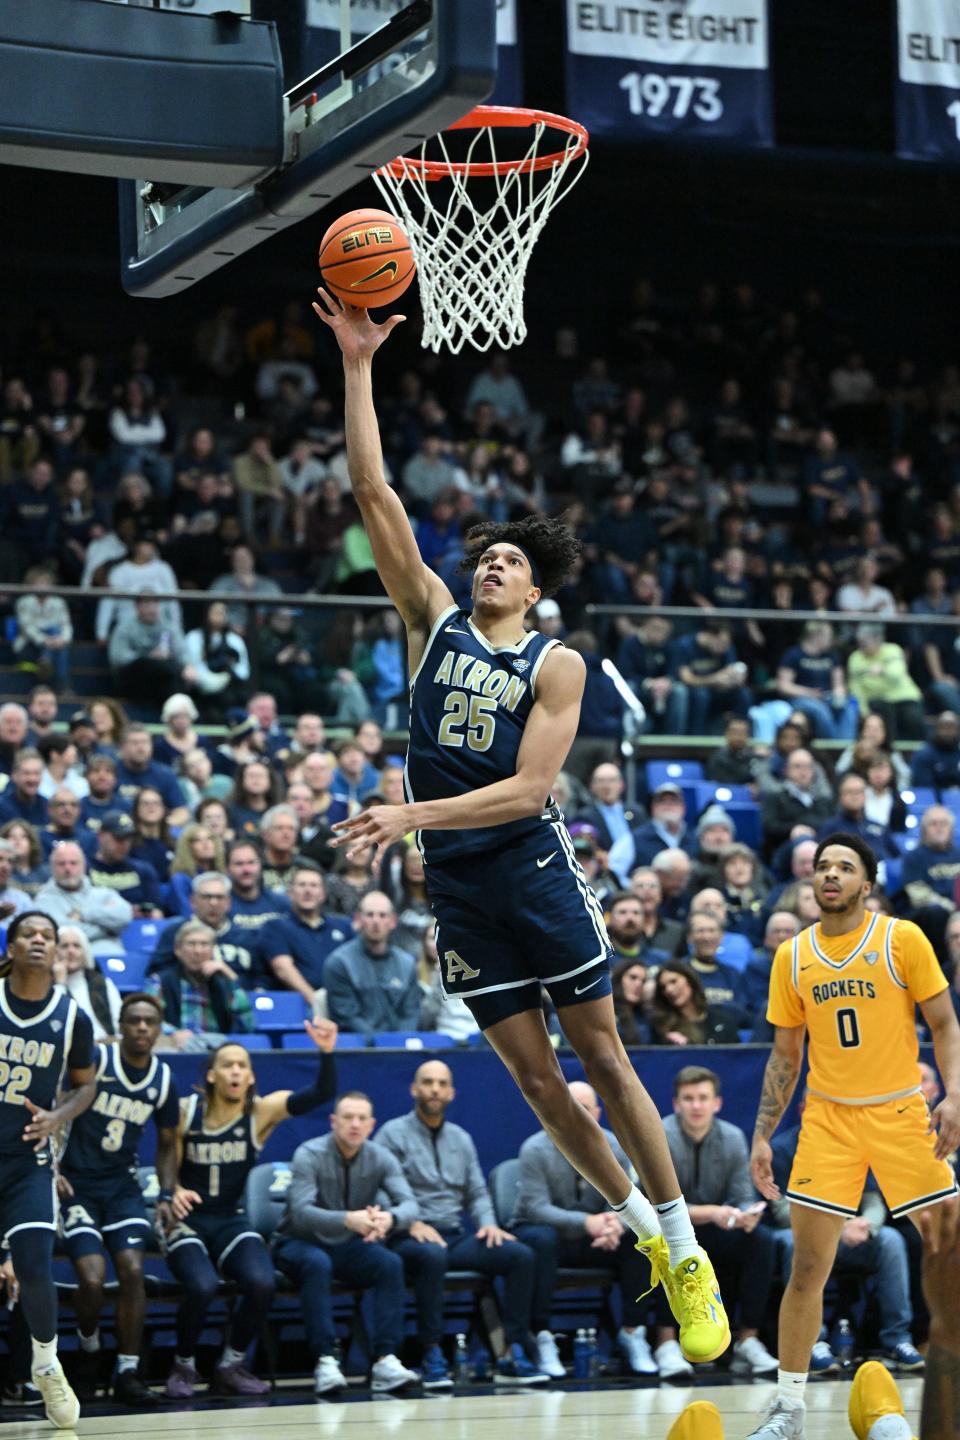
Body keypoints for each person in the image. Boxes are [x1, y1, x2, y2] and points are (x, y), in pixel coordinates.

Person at [313, 291, 728, 1365]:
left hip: (530, 868)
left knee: (602, 1054)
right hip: (459, 892)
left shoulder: (555, 663)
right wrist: (359, 364)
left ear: (535, 590)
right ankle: (643, 1227)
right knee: (540, 1086)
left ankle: (685, 1247)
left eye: (506, 559)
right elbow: (373, 489)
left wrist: (409, 809)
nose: (487, 560)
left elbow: (531, 792)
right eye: (483, 552)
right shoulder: (431, 624)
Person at [746, 833, 960, 1439]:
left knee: (950, 1248)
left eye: (844, 867)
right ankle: (788, 1409)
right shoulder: (792, 957)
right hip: (828, 1121)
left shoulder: (902, 938)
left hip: (899, 1114)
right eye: (821, 868)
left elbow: (944, 1024)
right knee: (809, 1266)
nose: (830, 876)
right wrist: (764, 1135)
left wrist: (956, 1093)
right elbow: (785, 1056)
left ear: (867, 883)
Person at [162, 1021, 337, 1397]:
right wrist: (172, 1189)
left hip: (228, 1219)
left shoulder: (260, 1112)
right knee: (203, 1285)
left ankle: (231, 1363)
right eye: (228, 1064)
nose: (237, 1071)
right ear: (211, 1074)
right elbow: (166, 1164)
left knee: (262, 1281)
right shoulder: (184, 1112)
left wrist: (325, 1051)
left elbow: (321, 1093)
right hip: (187, 1221)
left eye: (243, 1065)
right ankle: (184, 1364)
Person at [378, 1060, 549, 1386]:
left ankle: (512, 1351)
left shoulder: (461, 1138)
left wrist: (488, 1223)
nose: (435, 1089)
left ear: (452, 1093)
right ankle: (431, 1353)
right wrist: (408, 1223)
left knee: (520, 1255)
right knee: (432, 1256)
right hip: (409, 1237)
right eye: (427, 1082)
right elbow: (380, 1188)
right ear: (414, 1089)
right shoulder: (391, 1134)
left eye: (442, 1083)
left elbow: (477, 1192)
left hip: (454, 1235)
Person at [0, 911, 97, 1428]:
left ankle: (45, 1363)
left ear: (58, 950)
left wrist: (59, 1115)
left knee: (36, 1265)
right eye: (28, 934)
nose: (38, 941)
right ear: (11, 946)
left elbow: (86, 1083)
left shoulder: (72, 1016)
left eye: (47, 936)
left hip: (27, 1161)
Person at [58, 993, 179, 1404]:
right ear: (121, 1027)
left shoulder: (163, 1079)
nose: (142, 1028)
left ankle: (128, 1370)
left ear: (159, 1029)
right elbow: (57, 1108)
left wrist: (165, 1192)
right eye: (134, 1021)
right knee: (91, 1279)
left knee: (131, 1269)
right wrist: (52, 1167)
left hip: (123, 1188)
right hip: (77, 1184)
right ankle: (88, 1349)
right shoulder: (98, 1062)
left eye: (150, 1021)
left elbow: (167, 1143)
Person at [272, 1091, 420, 1395]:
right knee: (317, 1262)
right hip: (296, 1242)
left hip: (344, 1246)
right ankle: (325, 1360)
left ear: (371, 1124)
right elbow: (300, 1213)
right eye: (348, 1117)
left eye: (362, 1118)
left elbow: (410, 1204)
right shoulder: (309, 1153)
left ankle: (385, 1359)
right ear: (333, 1121)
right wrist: (348, 1219)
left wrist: (389, 1220)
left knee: (389, 1263)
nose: (355, 1124)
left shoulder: (380, 1157)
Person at [512, 1079, 659, 1377]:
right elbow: (535, 1208)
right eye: (571, 1108)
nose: (578, 1115)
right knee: (539, 1240)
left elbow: (631, 1195)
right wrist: (586, 1223)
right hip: (552, 1238)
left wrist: (613, 1224)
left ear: (597, 1112)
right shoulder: (534, 1149)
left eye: (585, 1108)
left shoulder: (615, 1147)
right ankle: (542, 1337)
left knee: (643, 1238)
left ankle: (633, 1332)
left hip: (598, 1241)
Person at [652, 1068, 777, 1382]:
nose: (696, 1106)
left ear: (717, 1103)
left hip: (719, 1228)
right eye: (689, 1099)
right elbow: (652, 1206)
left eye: (703, 1098)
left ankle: (748, 1339)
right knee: (656, 1245)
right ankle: (666, 1343)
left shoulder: (733, 1137)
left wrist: (748, 1213)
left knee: (761, 1241)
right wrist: (712, 1212)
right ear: (676, 1103)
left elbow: (742, 1195)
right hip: (672, 1229)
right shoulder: (659, 1136)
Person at [323, 891, 422, 1033]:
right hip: (357, 1048)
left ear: (392, 921)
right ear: (358, 919)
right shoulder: (339, 963)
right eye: (370, 915)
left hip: (400, 1048)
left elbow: (411, 1014)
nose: (376, 921)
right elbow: (347, 1017)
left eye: (382, 915)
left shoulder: (407, 964)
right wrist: (382, 1044)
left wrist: (400, 1043)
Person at [256, 861, 350, 1009]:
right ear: (290, 893)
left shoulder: (344, 926)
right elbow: (283, 969)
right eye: (301, 885)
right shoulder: (276, 926)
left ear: (323, 894)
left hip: (343, 1003)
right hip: (297, 1006)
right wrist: (317, 1003)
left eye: (313, 886)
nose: (308, 891)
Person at [150, 921, 252, 1048]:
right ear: (178, 950)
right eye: (191, 944)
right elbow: (149, 1019)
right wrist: (173, 1033)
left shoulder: (223, 981)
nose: (198, 951)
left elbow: (249, 1025)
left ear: (213, 950)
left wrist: (231, 979)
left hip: (216, 1049)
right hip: (178, 1047)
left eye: (204, 945)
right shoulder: (161, 981)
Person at [34, 842, 133, 953]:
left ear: (83, 866)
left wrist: (84, 915)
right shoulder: (44, 900)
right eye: (61, 864)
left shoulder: (103, 893)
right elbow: (63, 933)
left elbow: (125, 915)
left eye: (73, 863)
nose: (68, 868)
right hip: (67, 960)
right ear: (52, 868)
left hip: (109, 959)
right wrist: (109, 929)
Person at [88, 809, 164, 918]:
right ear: (100, 836)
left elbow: (157, 911)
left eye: (128, 838)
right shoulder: (85, 869)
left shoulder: (143, 870)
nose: (125, 844)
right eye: (119, 838)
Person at [53, 923, 121, 1041]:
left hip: (107, 1047)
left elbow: (120, 1024)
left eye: (77, 946)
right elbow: (57, 1024)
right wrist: (60, 984)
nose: (71, 951)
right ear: (54, 952)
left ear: (85, 952)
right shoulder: (47, 986)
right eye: (64, 946)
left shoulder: (102, 983)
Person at [647, 960, 741, 1046]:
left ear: (690, 980)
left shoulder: (723, 1020)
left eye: (673, 981)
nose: (669, 990)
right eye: (663, 987)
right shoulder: (662, 1027)